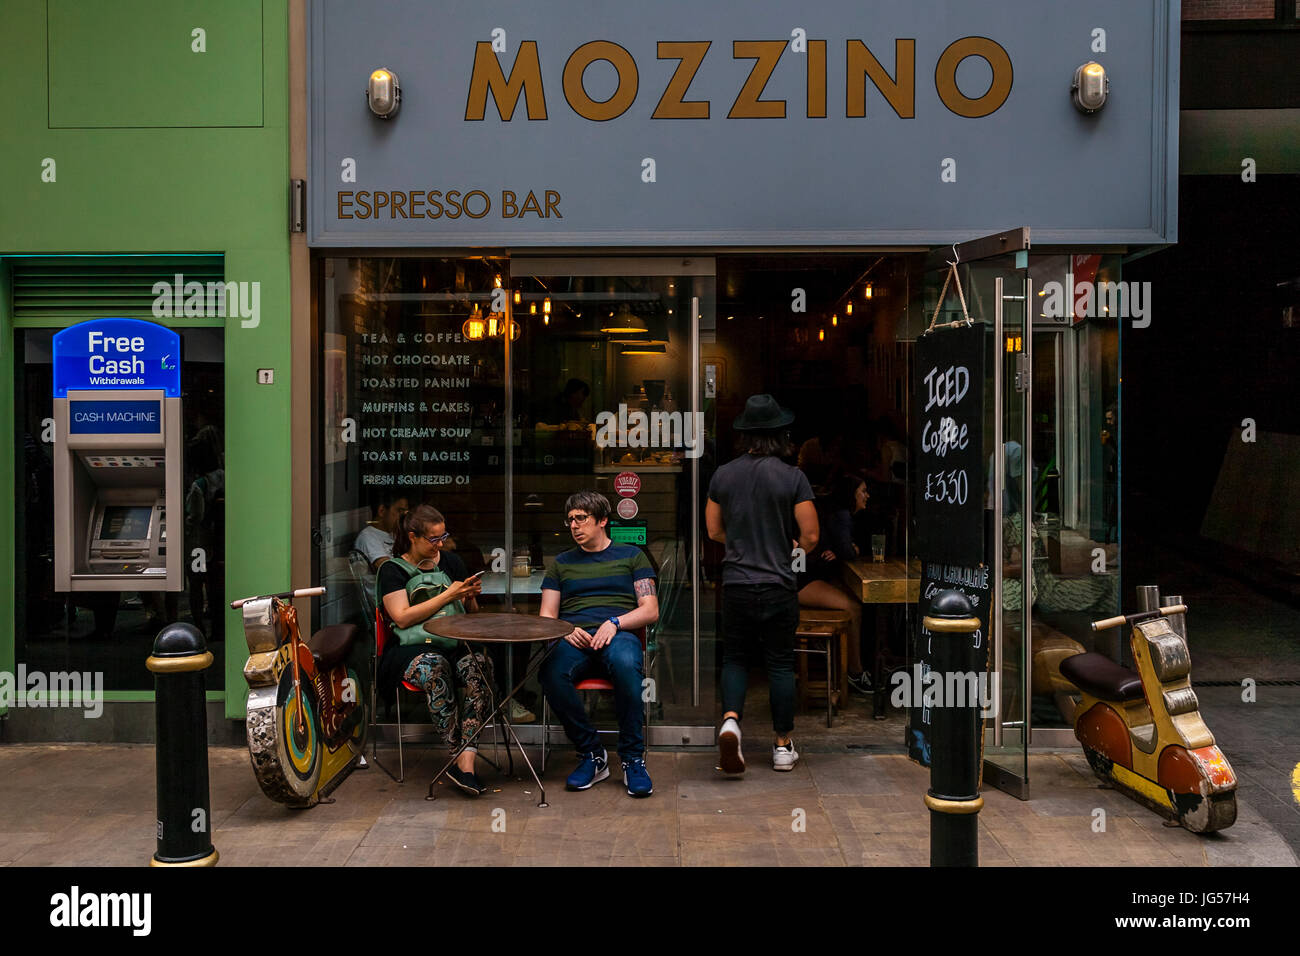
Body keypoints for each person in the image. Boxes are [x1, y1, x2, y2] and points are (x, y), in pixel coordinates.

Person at [706, 394, 819, 774]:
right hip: (777, 586)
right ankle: (783, 746)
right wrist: (787, 546)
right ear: (780, 434)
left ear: (745, 434)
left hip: (736, 583)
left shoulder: (723, 475)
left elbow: (713, 529)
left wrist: (741, 542)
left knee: (735, 658)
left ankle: (731, 722)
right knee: (780, 664)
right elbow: (811, 535)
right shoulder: (793, 477)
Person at [539, 491, 659, 797]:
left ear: (603, 520)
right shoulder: (561, 564)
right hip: (574, 638)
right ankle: (592, 753)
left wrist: (615, 622)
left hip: (617, 635)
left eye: (582, 518)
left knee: (625, 666)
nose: (575, 526)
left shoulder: (632, 556)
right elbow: (546, 616)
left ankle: (632, 758)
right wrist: (566, 629)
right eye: (570, 520)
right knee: (550, 673)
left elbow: (650, 609)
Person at [377, 505, 489, 796]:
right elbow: (401, 617)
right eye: (433, 539)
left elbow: (470, 615)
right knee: (434, 667)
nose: (440, 544)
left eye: (443, 536)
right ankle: (457, 754)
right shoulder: (392, 570)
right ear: (413, 537)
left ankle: (465, 765)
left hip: (455, 641)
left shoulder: (451, 562)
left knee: (479, 667)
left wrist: (471, 596)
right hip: (411, 647)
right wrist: (449, 593)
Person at [797, 473, 869, 691]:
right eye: (863, 491)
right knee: (853, 607)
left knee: (852, 598)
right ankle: (854, 673)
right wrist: (849, 549)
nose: (867, 496)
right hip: (802, 581)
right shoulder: (841, 516)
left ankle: (843, 662)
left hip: (808, 576)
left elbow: (841, 549)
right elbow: (846, 550)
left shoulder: (837, 516)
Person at [354, 490, 409, 571]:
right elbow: (387, 568)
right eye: (399, 511)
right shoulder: (368, 536)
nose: (402, 517)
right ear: (382, 511)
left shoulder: (394, 534)